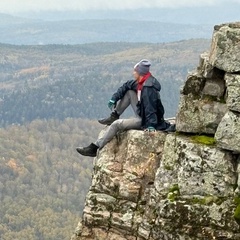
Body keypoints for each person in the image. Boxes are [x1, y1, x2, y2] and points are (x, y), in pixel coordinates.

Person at [76, 59, 170, 157]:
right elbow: (126, 85)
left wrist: (151, 125)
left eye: (135, 71)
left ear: (140, 73)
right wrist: (114, 98)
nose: (133, 73)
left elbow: (151, 108)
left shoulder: (148, 89)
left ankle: (95, 148)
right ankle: (115, 115)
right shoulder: (142, 82)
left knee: (116, 125)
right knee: (129, 93)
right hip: (143, 111)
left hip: (145, 120)